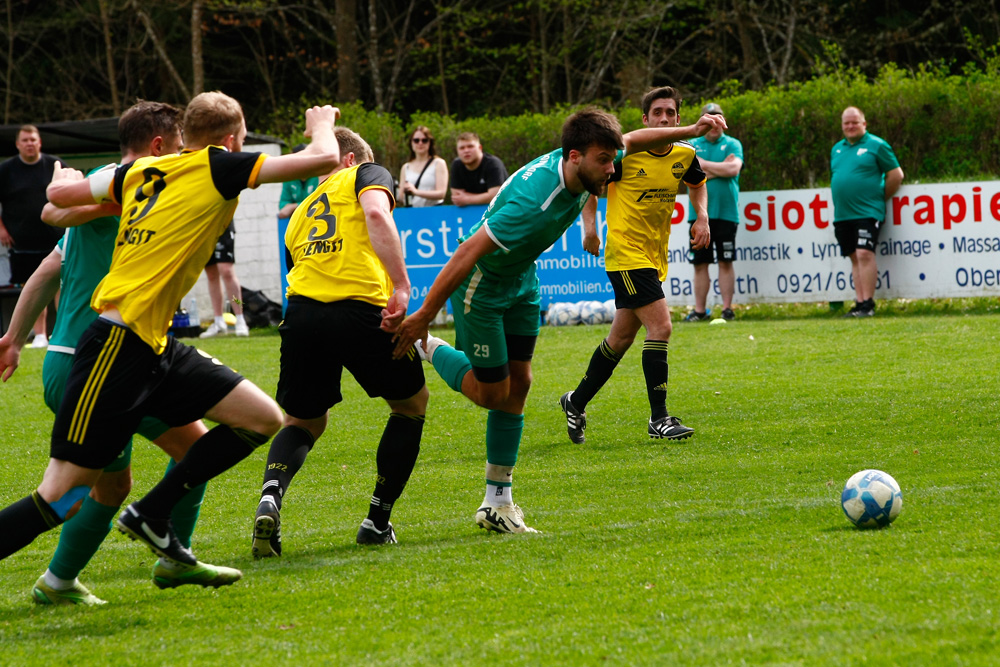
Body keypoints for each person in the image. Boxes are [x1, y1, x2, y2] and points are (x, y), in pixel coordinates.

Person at [0, 93, 340, 582]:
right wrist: (321, 123)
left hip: (155, 345)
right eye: (241, 139)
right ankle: (66, 575)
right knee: (63, 496)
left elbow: (57, 204)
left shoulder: (134, 174)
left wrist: (61, 181)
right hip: (114, 345)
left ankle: (153, 515)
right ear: (230, 141)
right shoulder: (213, 167)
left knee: (262, 418)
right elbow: (323, 158)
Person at [390, 107, 725, 534]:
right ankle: (429, 347)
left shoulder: (584, 165)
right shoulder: (535, 202)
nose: (613, 169)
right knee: (492, 395)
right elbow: (465, 253)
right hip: (484, 286)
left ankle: (499, 504)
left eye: (612, 158)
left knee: (522, 384)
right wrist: (422, 319)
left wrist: (694, 129)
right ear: (573, 157)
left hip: (523, 279)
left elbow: (637, 140)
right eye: (605, 161)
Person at [0, 101, 241, 604]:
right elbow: (50, 210)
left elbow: (49, 267)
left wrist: (14, 339)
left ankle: (69, 579)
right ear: (159, 146)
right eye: (178, 146)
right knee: (72, 493)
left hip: (74, 357)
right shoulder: (143, 185)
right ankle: (155, 559)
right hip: (106, 358)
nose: (184, 154)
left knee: (117, 484)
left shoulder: (115, 184)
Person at [252, 126, 427, 557]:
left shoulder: (298, 215)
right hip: (361, 311)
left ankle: (271, 495)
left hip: (303, 315)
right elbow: (376, 216)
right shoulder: (367, 172)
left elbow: (298, 270)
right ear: (352, 159)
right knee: (410, 405)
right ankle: (377, 520)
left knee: (304, 421)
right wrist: (402, 287)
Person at [560, 87, 711, 446]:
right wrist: (590, 228)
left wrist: (701, 215)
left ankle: (575, 401)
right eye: (656, 113)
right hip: (625, 255)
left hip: (654, 256)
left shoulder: (686, 154)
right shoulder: (625, 155)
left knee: (620, 339)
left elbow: (697, 183)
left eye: (669, 113)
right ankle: (659, 418)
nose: (663, 118)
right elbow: (589, 185)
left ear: (677, 116)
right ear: (645, 119)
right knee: (661, 326)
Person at [831, 106, 903, 317]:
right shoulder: (836, 149)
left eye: (855, 122)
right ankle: (860, 302)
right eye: (847, 123)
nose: (851, 126)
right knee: (854, 256)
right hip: (843, 214)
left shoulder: (877, 145)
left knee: (864, 253)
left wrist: (877, 198)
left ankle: (868, 304)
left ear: (864, 123)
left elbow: (896, 175)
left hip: (868, 212)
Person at [0, 125, 67, 348]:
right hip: (22, 242)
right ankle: (39, 336)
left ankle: (61, 332)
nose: (30, 143)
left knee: (60, 283)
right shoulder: (6, 170)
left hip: (55, 237)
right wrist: (1, 228)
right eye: (25, 140)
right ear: (18, 144)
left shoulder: (55, 165)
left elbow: (74, 190)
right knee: (33, 284)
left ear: (40, 142)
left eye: (33, 139)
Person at [685, 102, 744, 322]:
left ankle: (727, 309)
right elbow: (686, 176)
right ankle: (700, 311)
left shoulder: (733, 144)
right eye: (710, 118)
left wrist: (703, 166)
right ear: (702, 122)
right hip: (698, 216)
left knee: (726, 261)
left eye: (719, 118)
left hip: (727, 213)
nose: (715, 123)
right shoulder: (690, 145)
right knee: (700, 263)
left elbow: (733, 169)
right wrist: (720, 169)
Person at [199, 221, 250, 337]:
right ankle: (218, 322)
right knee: (211, 274)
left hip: (222, 223)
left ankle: (241, 320)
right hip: (203, 226)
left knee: (226, 271)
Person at [449, 131, 508, 207]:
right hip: (471, 213)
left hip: (501, 211)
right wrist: (485, 196)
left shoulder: (493, 164)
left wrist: (466, 199)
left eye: (470, 146)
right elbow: (457, 196)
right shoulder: (456, 164)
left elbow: (495, 196)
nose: (466, 151)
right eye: (462, 148)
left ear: (480, 148)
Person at [397, 125, 448, 207]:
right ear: (411, 143)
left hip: (433, 211)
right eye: (416, 140)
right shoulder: (405, 167)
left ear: (430, 143)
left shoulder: (439, 163)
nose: (420, 143)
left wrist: (416, 192)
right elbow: (401, 197)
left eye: (424, 140)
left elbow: (441, 193)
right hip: (412, 212)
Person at [277, 143, 319, 219]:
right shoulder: (289, 178)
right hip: (297, 223)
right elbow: (283, 206)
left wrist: (293, 206)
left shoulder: (319, 176)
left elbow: (319, 204)